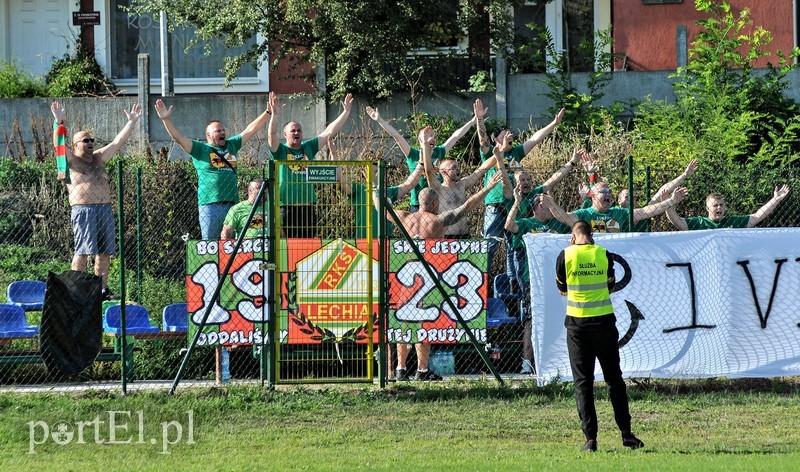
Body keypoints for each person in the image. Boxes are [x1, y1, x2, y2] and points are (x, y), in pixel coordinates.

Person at [389, 142, 504, 381]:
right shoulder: (438, 220)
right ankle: (421, 370)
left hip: (407, 274)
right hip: (430, 275)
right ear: (433, 203)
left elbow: (384, 209)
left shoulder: (406, 218)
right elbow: (466, 207)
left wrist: (373, 194)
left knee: (405, 321)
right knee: (425, 323)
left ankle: (400, 369)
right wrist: (487, 188)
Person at [555, 220, 645, 452]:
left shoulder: (565, 255)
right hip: (604, 324)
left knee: (583, 383)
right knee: (614, 379)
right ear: (591, 236)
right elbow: (610, 285)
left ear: (573, 237)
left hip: (577, 327)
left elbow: (562, 289)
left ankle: (590, 439)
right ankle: (626, 433)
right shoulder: (603, 255)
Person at [50, 100, 142, 300]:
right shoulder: (71, 160)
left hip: (104, 209)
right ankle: (75, 289)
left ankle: (100, 289)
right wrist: (58, 122)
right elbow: (58, 144)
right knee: (82, 252)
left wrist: (131, 123)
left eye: (91, 140)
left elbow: (117, 143)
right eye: (85, 140)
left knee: (105, 253)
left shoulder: (100, 158)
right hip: (83, 210)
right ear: (75, 145)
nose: (90, 142)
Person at [154, 98, 272, 240]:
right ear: (209, 135)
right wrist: (165, 119)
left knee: (232, 245)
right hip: (210, 206)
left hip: (232, 205)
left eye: (223, 130)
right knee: (211, 245)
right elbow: (179, 137)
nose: (222, 132)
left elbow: (251, 129)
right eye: (218, 131)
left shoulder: (231, 145)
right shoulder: (200, 149)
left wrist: (268, 112)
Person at [475, 100, 565, 284]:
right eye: (504, 133)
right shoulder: (490, 153)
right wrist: (480, 120)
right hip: (495, 204)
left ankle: (512, 285)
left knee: (512, 247)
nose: (509, 134)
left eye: (510, 133)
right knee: (490, 245)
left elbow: (535, 139)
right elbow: (482, 139)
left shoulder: (515, 152)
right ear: (496, 139)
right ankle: (480, 283)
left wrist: (554, 124)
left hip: (514, 204)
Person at [268, 91, 354, 237]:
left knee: (307, 247)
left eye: (299, 130)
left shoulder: (308, 147)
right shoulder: (280, 150)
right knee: (285, 248)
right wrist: (274, 115)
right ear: (285, 135)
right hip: (285, 207)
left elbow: (328, 132)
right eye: (293, 130)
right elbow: (271, 135)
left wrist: (346, 112)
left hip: (308, 206)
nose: (297, 132)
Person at [366, 102, 477, 213]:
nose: (431, 138)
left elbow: (455, 136)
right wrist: (380, 120)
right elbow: (397, 136)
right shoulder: (413, 154)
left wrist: (472, 121)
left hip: (437, 201)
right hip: (418, 204)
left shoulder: (439, 151)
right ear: (420, 140)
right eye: (427, 135)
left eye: (433, 135)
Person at [419, 126, 497, 238]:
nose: (458, 169)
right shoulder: (438, 188)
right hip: (447, 238)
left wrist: (499, 154)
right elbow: (429, 171)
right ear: (444, 172)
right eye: (454, 167)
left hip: (464, 236)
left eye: (458, 167)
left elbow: (482, 169)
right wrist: (426, 146)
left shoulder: (462, 184)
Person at [542, 181, 688, 233]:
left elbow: (645, 211)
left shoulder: (619, 212)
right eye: (603, 192)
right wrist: (552, 205)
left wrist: (671, 201)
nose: (608, 194)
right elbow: (565, 218)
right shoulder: (584, 214)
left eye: (610, 192)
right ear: (592, 196)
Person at [665, 185, 791, 230]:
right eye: (715, 205)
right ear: (707, 208)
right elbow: (677, 222)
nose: (719, 208)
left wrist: (775, 200)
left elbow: (757, 216)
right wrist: (668, 203)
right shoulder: (699, 223)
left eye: (721, 205)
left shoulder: (733, 222)